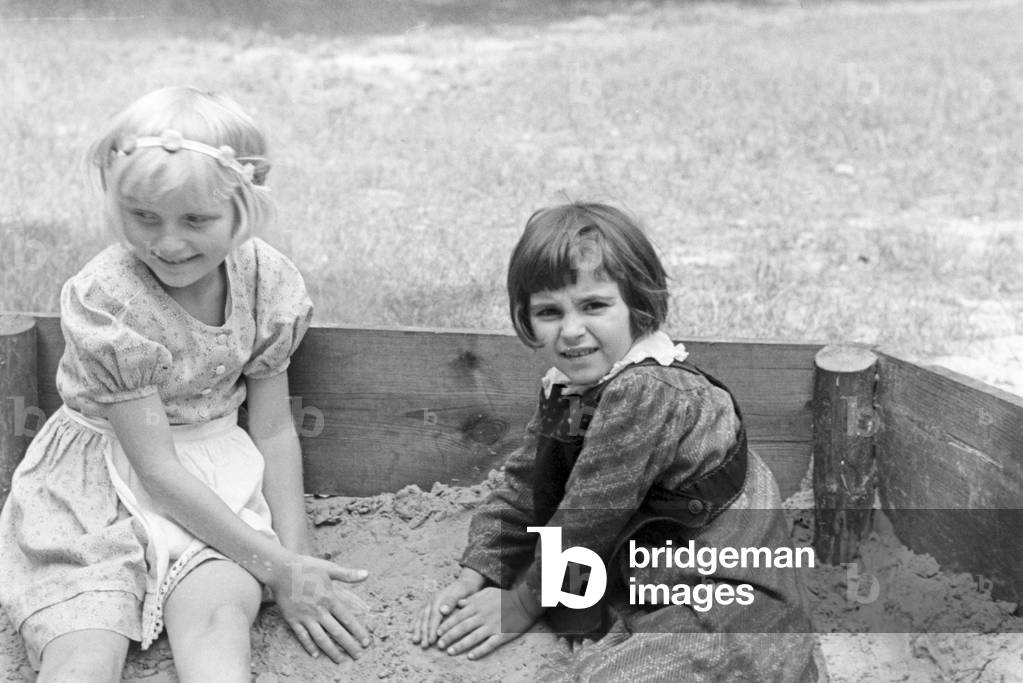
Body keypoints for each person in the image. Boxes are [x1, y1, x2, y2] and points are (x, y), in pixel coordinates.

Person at [0, 86, 370, 682]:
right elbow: (157, 472)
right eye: (144, 217)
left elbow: (272, 430)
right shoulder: (108, 300)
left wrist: (292, 559)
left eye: (196, 219)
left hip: (215, 483)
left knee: (220, 624)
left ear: (245, 206)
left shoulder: (265, 282)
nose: (168, 243)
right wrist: (277, 568)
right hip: (95, 493)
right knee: (84, 646)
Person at [412, 202, 820, 680]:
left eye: (594, 306)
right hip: (656, 580)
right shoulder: (571, 388)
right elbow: (526, 482)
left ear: (639, 306)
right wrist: (480, 569)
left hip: (729, 605)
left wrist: (522, 603)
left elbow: (587, 518)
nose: (570, 331)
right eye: (548, 311)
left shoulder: (644, 391)